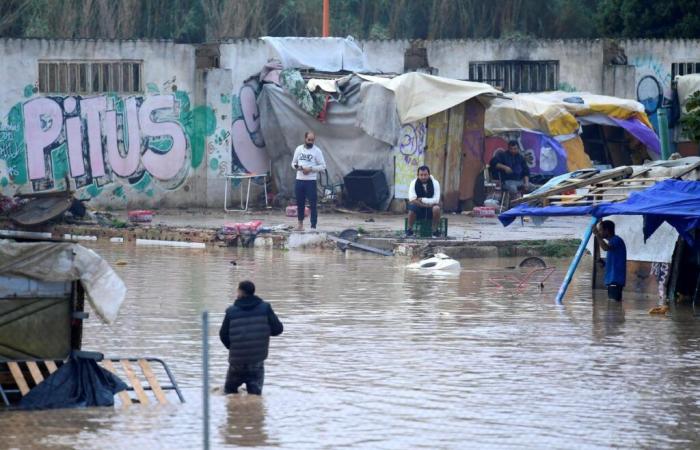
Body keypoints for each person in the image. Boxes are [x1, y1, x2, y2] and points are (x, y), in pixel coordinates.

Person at [219, 280, 283, 395]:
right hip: (256, 362)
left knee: (229, 394)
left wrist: (234, 348)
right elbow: (278, 329)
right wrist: (263, 333)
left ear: (240, 292)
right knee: (255, 397)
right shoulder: (265, 308)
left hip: (236, 362)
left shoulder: (231, 311)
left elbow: (223, 335)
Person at [291, 131, 326, 231]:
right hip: (300, 180)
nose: (310, 142)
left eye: (312, 140)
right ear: (305, 139)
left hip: (310, 181)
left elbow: (323, 166)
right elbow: (293, 163)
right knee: (300, 203)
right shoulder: (299, 149)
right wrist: (299, 168)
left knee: (313, 204)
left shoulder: (317, 151)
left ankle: (313, 226)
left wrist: (310, 169)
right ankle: (300, 224)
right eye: (309, 140)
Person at [594, 220, 627, 301]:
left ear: (607, 230)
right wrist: (603, 263)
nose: (599, 232)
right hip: (612, 280)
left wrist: (597, 235)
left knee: (613, 306)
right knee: (612, 307)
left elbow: (605, 248)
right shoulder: (613, 242)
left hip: (615, 280)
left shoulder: (616, 240)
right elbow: (614, 262)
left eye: (600, 230)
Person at [407, 165, 441, 237]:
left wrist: (422, 199)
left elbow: (436, 200)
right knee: (412, 208)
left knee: (437, 208)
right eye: (421, 175)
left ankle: (435, 230)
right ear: (418, 175)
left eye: (425, 175)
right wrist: (426, 204)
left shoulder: (435, 183)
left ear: (429, 174)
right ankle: (409, 230)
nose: (423, 177)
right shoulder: (413, 183)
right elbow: (412, 199)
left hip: (430, 210)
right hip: (419, 208)